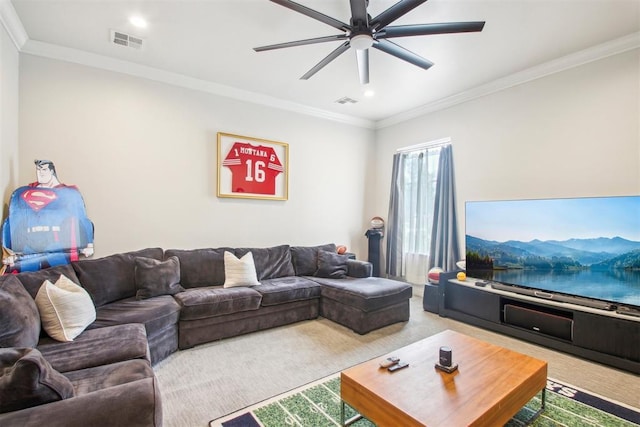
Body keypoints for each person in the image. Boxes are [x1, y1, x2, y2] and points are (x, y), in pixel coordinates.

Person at [1, 160, 94, 272]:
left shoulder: (69, 194)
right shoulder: (23, 194)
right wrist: (8, 251)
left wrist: (88, 244)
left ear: (52, 171)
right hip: (27, 251)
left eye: (44, 169)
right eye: (38, 170)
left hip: (60, 249)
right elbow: (12, 224)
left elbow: (80, 219)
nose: (40, 173)